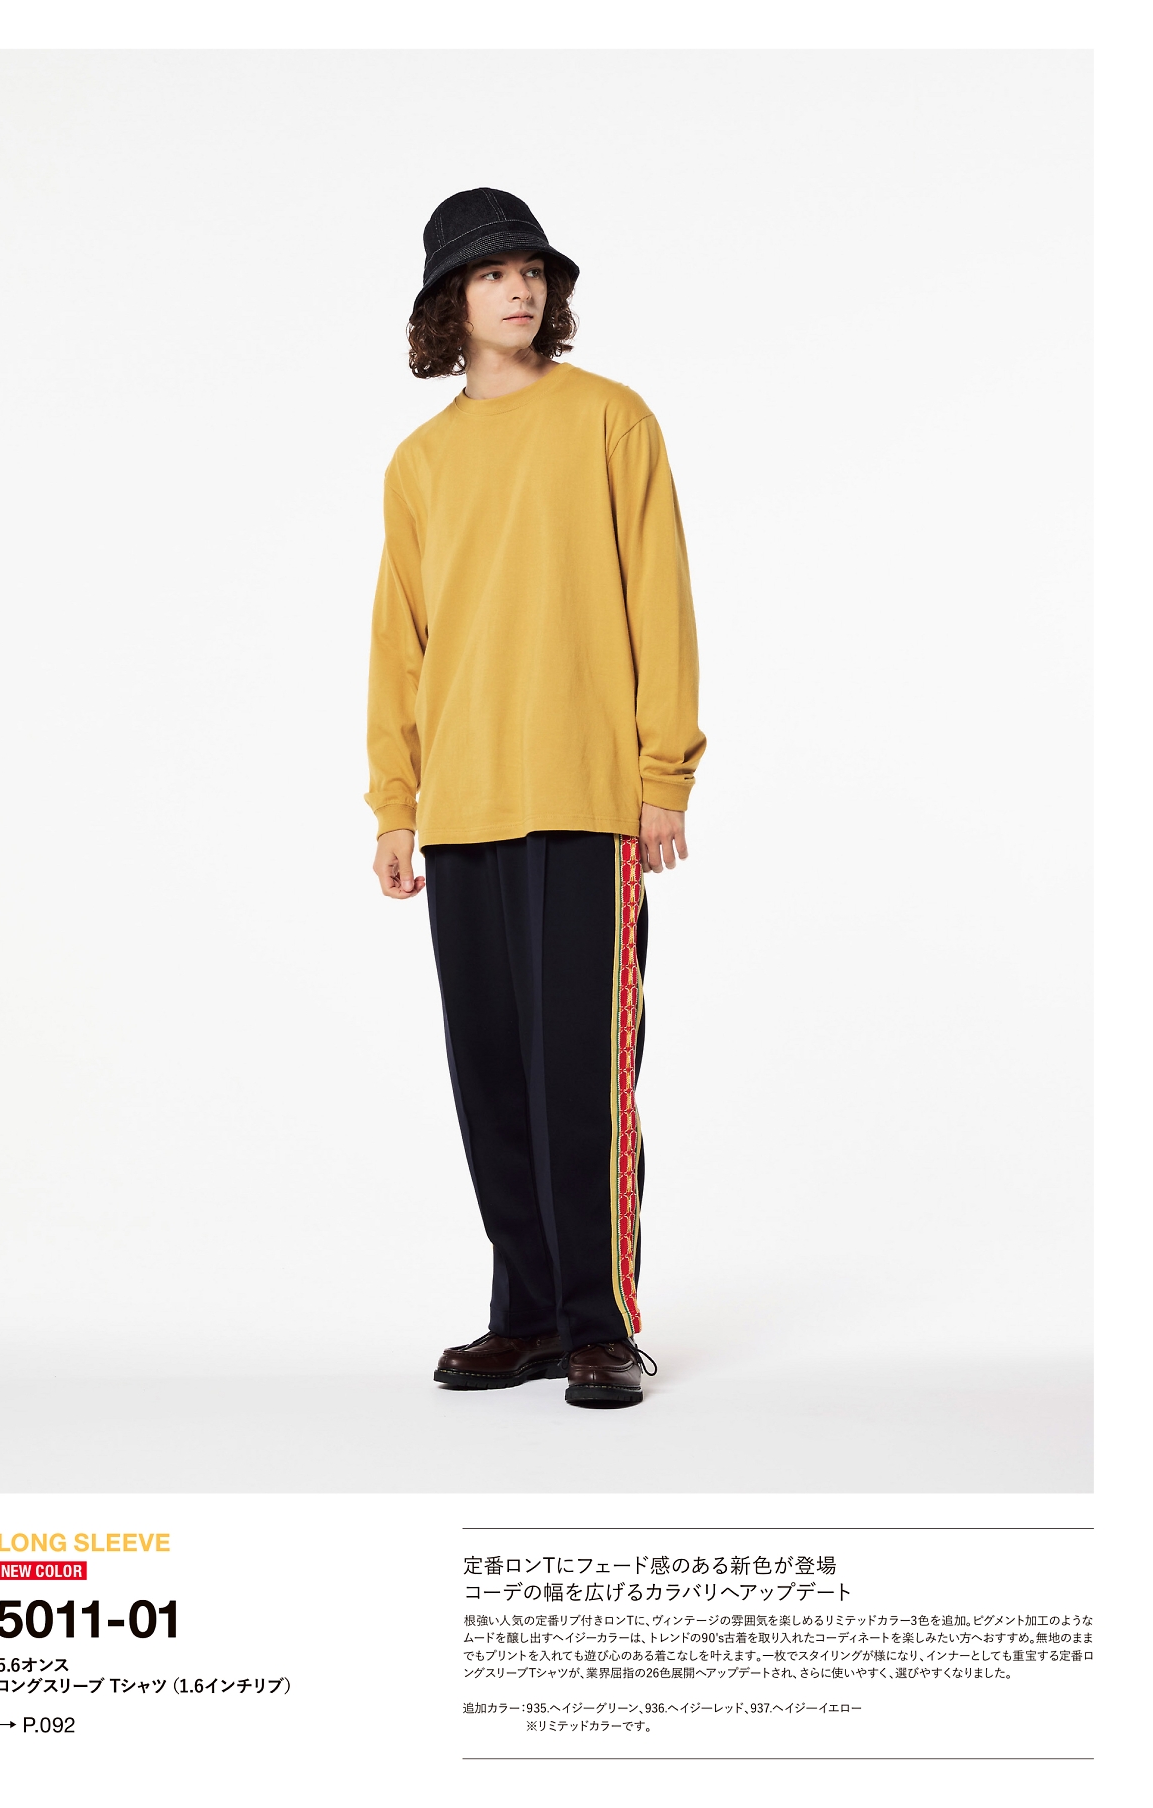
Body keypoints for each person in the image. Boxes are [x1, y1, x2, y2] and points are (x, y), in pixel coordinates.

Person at [365, 187, 705, 1408]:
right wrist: (394, 802)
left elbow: (658, 597)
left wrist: (661, 774)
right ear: (447, 303)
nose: (518, 289)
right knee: (492, 1073)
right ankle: (522, 1315)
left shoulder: (610, 418)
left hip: (583, 793)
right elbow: (399, 641)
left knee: (581, 1071)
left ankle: (597, 1320)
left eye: (529, 270)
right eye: (489, 273)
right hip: (461, 806)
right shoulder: (420, 462)